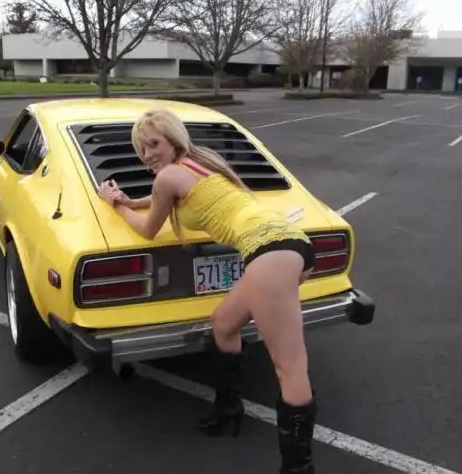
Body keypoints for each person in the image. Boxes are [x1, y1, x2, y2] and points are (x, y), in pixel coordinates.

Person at [97, 108, 317, 474]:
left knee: (290, 369)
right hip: (287, 245)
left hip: (270, 252)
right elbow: (162, 197)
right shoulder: (201, 163)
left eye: (153, 144)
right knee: (223, 324)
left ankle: (298, 469)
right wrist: (130, 200)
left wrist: (116, 203)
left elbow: (147, 229)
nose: (146, 155)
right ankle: (229, 408)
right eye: (141, 149)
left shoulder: (168, 175)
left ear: (173, 139)